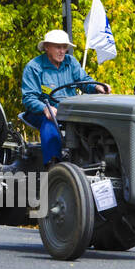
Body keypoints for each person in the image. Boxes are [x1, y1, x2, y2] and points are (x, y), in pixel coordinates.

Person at [19, 30, 110, 167]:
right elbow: (29, 97)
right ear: (46, 47)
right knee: (50, 124)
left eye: (64, 47)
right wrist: (45, 108)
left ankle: (95, 161)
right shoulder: (34, 67)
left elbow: (83, 80)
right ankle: (53, 165)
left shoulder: (71, 62)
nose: (62, 51)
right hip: (41, 111)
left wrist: (97, 87)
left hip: (69, 111)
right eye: (58, 47)